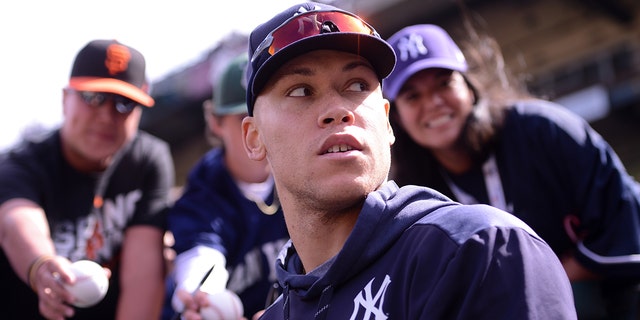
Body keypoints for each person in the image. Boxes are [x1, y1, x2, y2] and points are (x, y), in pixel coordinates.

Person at [238, 2, 577, 319]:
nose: (338, 110)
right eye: (301, 90)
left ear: (386, 122)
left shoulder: (481, 250)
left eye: (356, 84)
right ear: (254, 139)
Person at [382, 23, 640, 319]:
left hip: (610, 294)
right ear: (396, 117)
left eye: (444, 83)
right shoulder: (412, 197)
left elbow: (625, 217)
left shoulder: (543, 129)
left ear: (470, 87)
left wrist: (553, 273)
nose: (433, 103)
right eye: (413, 96)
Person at [0, 39, 174, 320]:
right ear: (65, 99)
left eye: (124, 103)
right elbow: (16, 222)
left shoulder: (147, 160)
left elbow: (143, 277)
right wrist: (41, 266)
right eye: (94, 97)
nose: (106, 115)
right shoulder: (21, 163)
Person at [165, 53, 288, 320]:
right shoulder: (203, 194)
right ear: (215, 121)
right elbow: (200, 256)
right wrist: (199, 296)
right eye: (242, 116)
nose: (255, 128)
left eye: (264, 111)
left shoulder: (303, 170)